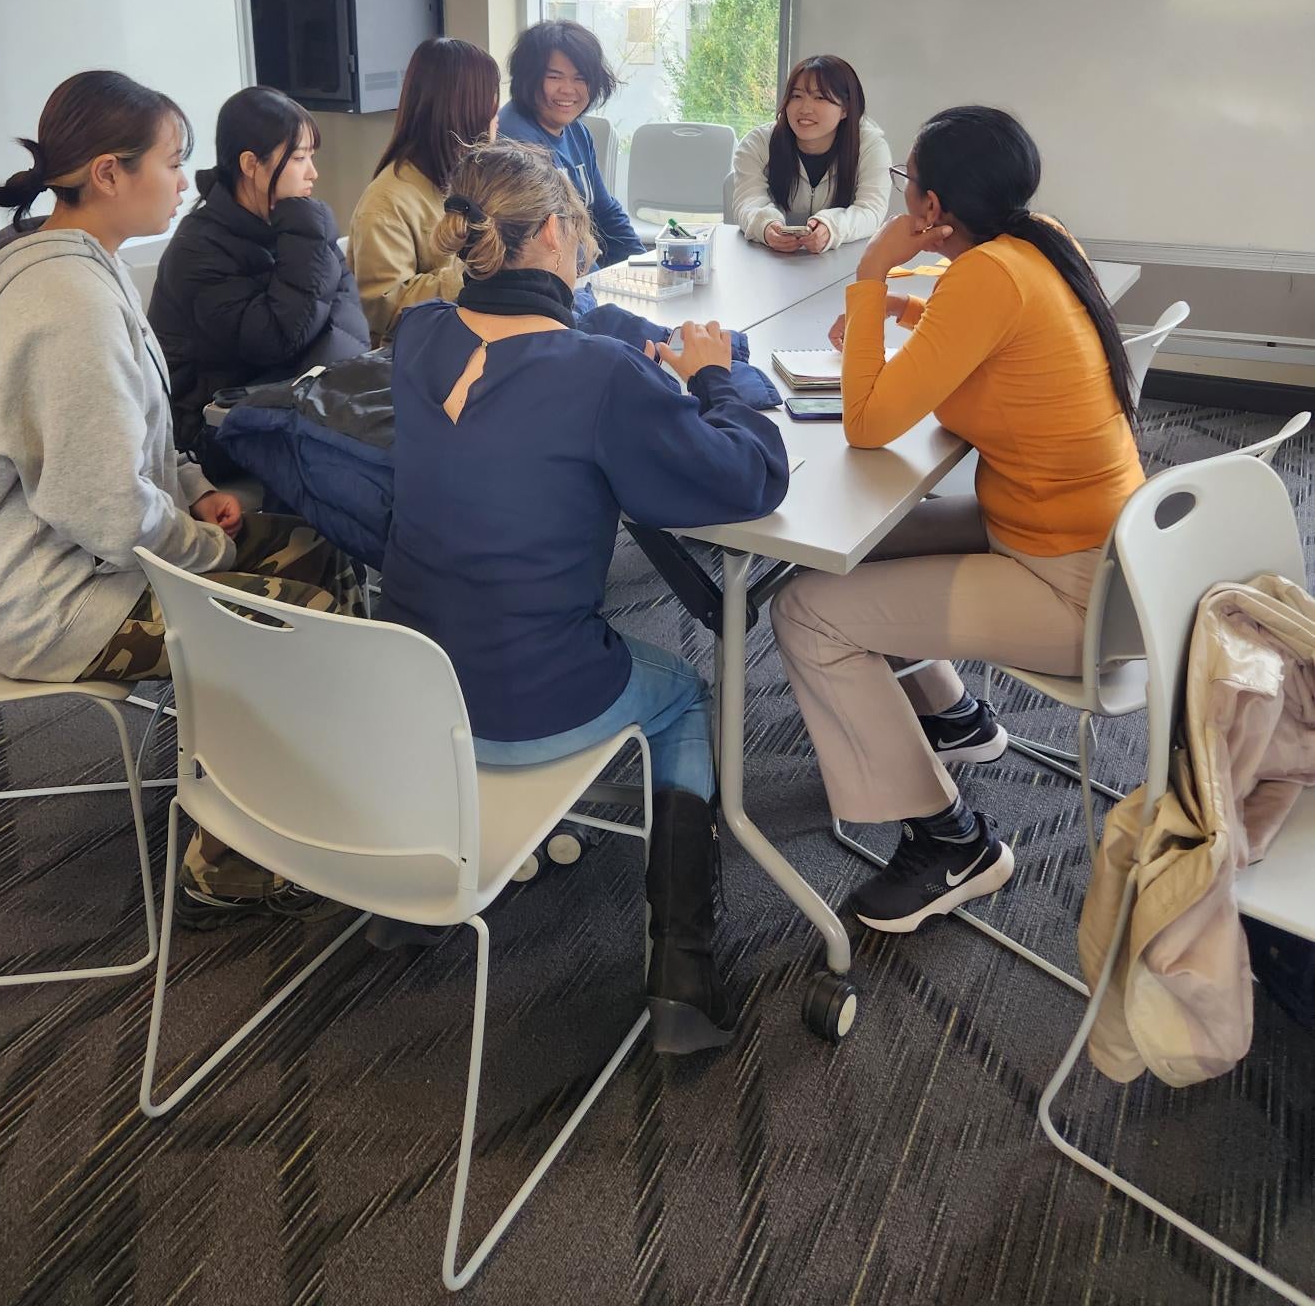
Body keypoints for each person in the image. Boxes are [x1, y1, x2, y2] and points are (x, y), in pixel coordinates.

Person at [381, 139, 789, 1054]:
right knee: (685, 692)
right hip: (530, 698)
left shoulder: (417, 337)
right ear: (560, 232)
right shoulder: (601, 377)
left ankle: (407, 893)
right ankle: (682, 972)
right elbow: (749, 479)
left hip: (408, 694)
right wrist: (715, 374)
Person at [0, 70, 366, 930]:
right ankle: (233, 864)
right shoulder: (68, 305)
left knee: (317, 548)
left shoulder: (86, 270)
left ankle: (296, 791)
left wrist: (199, 489)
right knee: (297, 619)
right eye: (173, 165)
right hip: (50, 596)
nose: (188, 183)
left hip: (92, 555)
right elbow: (100, 508)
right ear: (108, 173)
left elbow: (137, 440)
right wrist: (207, 551)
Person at [771, 105, 1144, 936]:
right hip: (1096, 542)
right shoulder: (1038, 240)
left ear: (934, 208)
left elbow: (867, 422)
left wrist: (873, 277)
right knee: (846, 554)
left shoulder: (989, 275)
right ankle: (953, 714)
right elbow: (988, 343)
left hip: (1072, 586)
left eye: (907, 181)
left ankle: (954, 842)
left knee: (805, 613)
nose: (904, 196)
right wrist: (910, 319)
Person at [148, 85, 368, 462]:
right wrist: (309, 230)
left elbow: (349, 321)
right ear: (251, 165)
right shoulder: (198, 249)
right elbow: (278, 337)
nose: (313, 173)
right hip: (212, 426)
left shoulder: (298, 227)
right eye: (299, 158)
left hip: (294, 405)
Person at [348, 38, 500, 343]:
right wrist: (479, 271)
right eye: (492, 105)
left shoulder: (470, 178)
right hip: (418, 360)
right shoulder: (387, 202)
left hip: (472, 337)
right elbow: (384, 309)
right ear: (465, 112)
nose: (497, 118)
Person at [496, 21, 643, 270]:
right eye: (554, 77)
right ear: (528, 79)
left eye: (580, 78)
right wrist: (596, 290)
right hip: (547, 285)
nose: (568, 90)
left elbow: (605, 212)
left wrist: (642, 264)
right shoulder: (515, 141)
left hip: (578, 276)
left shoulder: (577, 131)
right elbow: (552, 239)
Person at [730, 53, 891, 255]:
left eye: (820, 97)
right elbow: (748, 202)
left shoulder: (870, 146)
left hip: (842, 262)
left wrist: (831, 228)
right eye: (796, 96)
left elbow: (871, 210)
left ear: (846, 109)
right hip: (771, 261)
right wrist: (766, 226)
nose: (805, 108)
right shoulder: (758, 143)